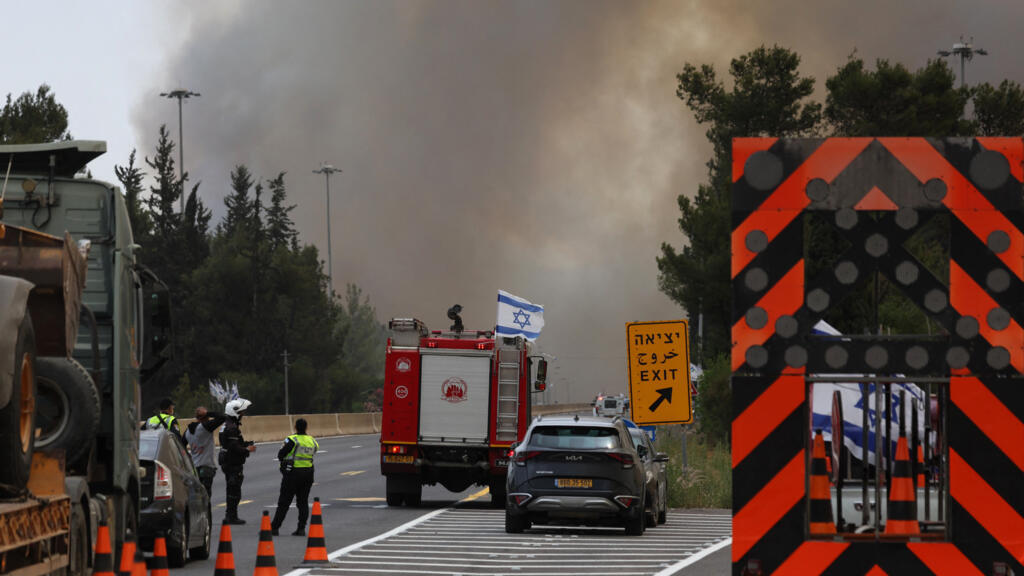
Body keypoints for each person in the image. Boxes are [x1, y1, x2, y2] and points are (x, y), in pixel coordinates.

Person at [270, 418, 319, 536]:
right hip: (307, 474)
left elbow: (280, 454)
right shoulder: (312, 441)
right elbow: (315, 451)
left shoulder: (292, 439)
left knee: (284, 502)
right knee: (303, 502)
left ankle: (275, 528)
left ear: (295, 427)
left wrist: (286, 462)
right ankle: (301, 528)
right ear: (306, 428)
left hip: (292, 474)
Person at [219, 398, 255, 524]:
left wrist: (246, 444)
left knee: (231, 489)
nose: (243, 414)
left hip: (227, 462)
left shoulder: (225, 426)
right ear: (234, 412)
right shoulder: (232, 427)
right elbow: (234, 447)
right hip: (232, 463)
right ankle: (231, 516)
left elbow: (233, 443)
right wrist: (247, 449)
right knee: (234, 491)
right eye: (241, 412)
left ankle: (230, 515)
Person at [184, 406, 226, 497]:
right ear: (205, 417)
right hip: (206, 466)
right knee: (206, 497)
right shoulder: (206, 427)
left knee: (197, 496)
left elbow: (180, 446)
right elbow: (222, 417)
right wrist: (207, 413)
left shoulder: (187, 431)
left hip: (194, 469)